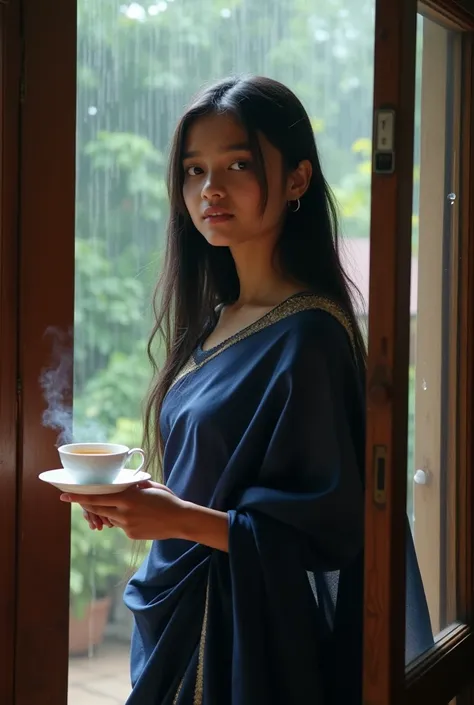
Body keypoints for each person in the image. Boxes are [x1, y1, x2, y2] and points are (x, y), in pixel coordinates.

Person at [60, 75, 433, 704]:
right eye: (193, 169)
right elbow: (218, 472)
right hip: (180, 608)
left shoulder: (310, 336)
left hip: (246, 641)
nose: (211, 189)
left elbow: (332, 529)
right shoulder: (217, 318)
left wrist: (176, 518)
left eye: (238, 163)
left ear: (297, 179)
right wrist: (140, 500)